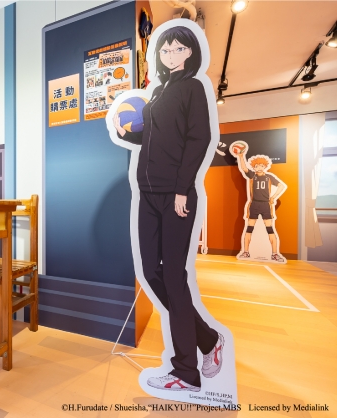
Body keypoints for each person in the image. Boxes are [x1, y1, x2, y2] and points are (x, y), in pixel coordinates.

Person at [112, 26, 224, 392]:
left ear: (189, 52)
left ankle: (186, 371)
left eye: (177, 49)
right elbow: (153, 136)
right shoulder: (159, 92)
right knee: (151, 271)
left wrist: (181, 189)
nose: (170, 55)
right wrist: (127, 132)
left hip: (176, 195)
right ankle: (207, 339)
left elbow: (199, 139)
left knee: (174, 277)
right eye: (165, 50)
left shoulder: (193, 88)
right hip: (147, 193)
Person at [235, 151, 287, 262]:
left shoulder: (269, 177)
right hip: (254, 204)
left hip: (265, 205)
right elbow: (244, 168)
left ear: (265, 166)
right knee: (249, 229)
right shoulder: (252, 176)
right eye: (257, 166)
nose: (259, 167)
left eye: (261, 165)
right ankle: (246, 252)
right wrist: (241, 156)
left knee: (270, 229)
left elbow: (281, 186)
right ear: (254, 167)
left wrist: (273, 197)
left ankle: (274, 254)